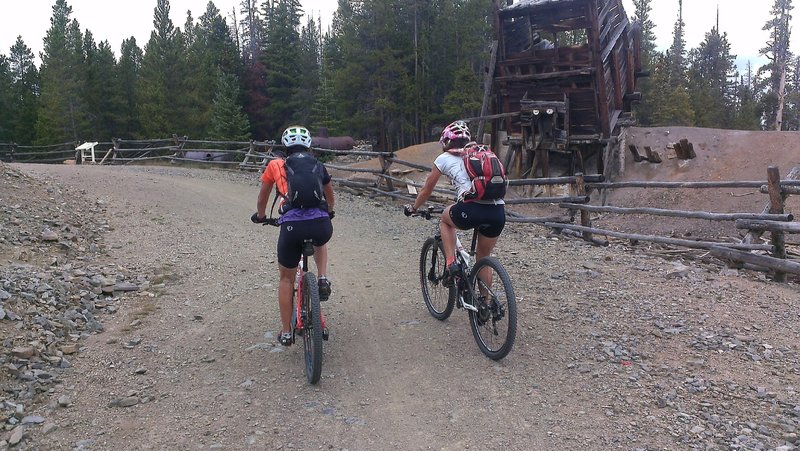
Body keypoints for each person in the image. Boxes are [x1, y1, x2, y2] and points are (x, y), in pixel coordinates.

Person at [404, 120, 506, 302]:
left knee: (445, 219)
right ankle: (486, 305)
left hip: (471, 209)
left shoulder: (443, 159)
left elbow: (427, 189)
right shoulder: (480, 155)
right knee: (483, 257)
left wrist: (414, 208)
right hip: (497, 211)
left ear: (445, 142)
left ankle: (451, 264)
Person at [251, 125, 335, 346]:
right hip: (320, 224)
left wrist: (261, 216)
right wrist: (330, 211)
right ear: (308, 145)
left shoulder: (275, 165)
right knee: (320, 239)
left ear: (284, 146)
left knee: (286, 278)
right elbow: (330, 195)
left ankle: (287, 331)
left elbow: (262, 198)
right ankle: (322, 277)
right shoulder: (317, 164)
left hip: (291, 227)